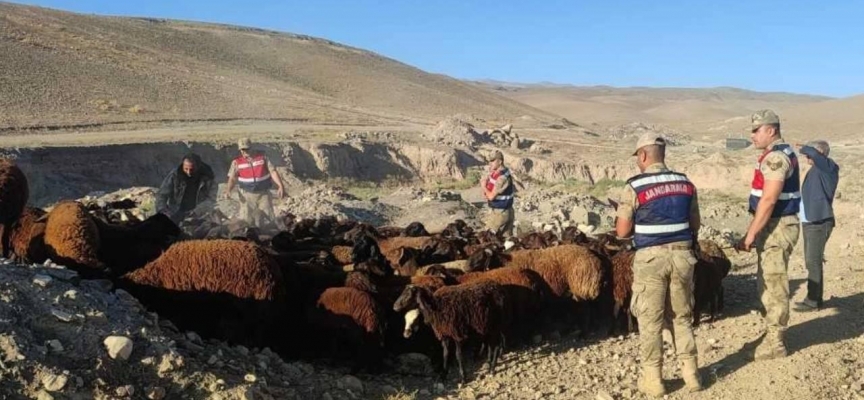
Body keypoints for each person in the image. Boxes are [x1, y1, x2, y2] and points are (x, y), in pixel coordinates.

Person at [616, 132, 702, 397]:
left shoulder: (634, 186)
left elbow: (622, 231)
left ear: (643, 155)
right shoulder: (686, 183)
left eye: (637, 158)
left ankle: (654, 381)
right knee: (682, 316)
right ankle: (692, 375)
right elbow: (695, 224)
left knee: (650, 320)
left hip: (651, 259)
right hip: (682, 256)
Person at [736, 109, 800, 361]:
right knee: (767, 280)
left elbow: (770, 199)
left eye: (756, 130)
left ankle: (776, 342)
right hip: (774, 225)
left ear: (771, 130)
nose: (752, 135)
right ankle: (772, 334)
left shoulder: (775, 158)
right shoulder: (774, 154)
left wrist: (751, 234)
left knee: (774, 283)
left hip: (778, 226)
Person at [793, 140, 839, 311]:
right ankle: (813, 297)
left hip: (819, 222)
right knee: (811, 260)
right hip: (810, 222)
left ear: (819, 153)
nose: (806, 156)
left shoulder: (829, 167)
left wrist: (804, 146)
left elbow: (812, 153)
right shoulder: (816, 170)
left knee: (813, 261)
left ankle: (813, 301)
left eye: (810, 153)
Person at [223, 138, 286, 228]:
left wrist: (280, 186)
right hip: (246, 195)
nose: (245, 151)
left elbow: (273, 172)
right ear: (240, 150)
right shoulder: (237, 162)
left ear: (252, 147)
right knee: (246, 221)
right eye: (243, 149)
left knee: (268, 219)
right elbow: (232, 178)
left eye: (247, 149)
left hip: (263, 194)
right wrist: (228, 190)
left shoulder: (263, 157)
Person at [155, 153, 216, 223]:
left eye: (191, 169)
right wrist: (163, 210)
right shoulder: (175, 175)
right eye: (186, 169)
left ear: (198, 167)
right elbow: (162, 194)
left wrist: (197, 211)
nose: (188, 172)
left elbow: (211, 199)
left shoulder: (208, 178)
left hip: (198, 215)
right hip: (175, 212)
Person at [480, 150, 515, 237]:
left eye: (493, 161)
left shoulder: (501, 178)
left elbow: (491, 196)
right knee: (506, 240)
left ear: (500, 161)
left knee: (486, 237)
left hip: (500, 213)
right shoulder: (501, 172)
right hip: (507, 211)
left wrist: (483, 186)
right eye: (489, 161)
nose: (490, 163)